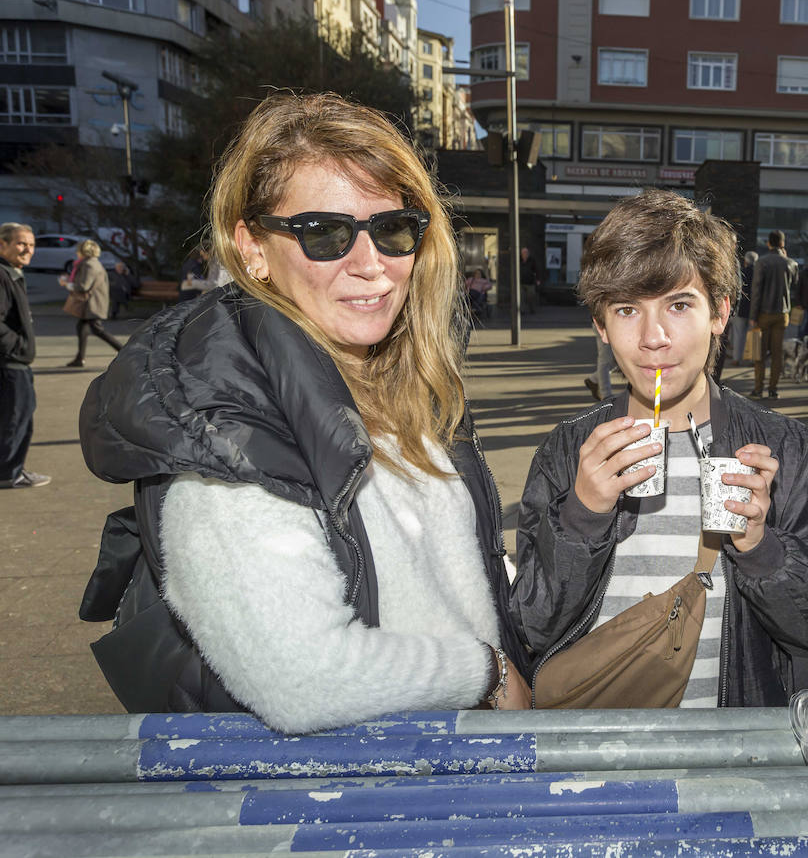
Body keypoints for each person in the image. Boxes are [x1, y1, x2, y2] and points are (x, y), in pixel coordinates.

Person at [77, 92, 529, 730]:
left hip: (449, 770)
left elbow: (452, 572)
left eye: (394, 228)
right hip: (347, 804)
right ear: (253, 247)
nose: (371, 265)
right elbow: (303, 676)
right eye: (324, 233)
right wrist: (485, 674)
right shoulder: (225, 421)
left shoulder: (404, 381)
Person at [514, 189, 808, 708]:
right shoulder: (569, 451)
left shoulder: (780, 447)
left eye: (679, 305)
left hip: (727, 755)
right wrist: (581, 517)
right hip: (595, 743)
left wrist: (761, 546)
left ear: (719, 313)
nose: (654, 337)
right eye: (627, 309)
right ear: (601, 326)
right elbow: (530, 627)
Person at [0, 222, 49, 489]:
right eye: (21, 243)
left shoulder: (12, 273)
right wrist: (18, 346)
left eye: (31, 244)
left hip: (15, 361)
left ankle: (13, 469)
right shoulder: (2, 274)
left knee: (18, 416)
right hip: (10, 363)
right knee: (16, 418)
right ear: (2, 244)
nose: (27, 249)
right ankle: (9, 473)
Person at [62, 239, 124, 368]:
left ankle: (125, 351)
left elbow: (83, 286)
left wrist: (66, 284)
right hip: (91, 303)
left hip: (92, 304)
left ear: (83, 251)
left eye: (78, 250)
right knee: (82, 327)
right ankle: (80, 358)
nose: (76, 253)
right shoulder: (92, 263)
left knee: (97, 329)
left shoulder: (89, 265)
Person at [749, 229, 795, 399]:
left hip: (764, 313)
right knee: (777, 354)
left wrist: (753, 316)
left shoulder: (762, 262)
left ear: (768, 243)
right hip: (782, 313)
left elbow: (756, 290)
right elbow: (793, 285)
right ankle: (773, 389)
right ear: (782, 244)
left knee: (759, 353)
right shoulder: (790, 263)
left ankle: (758, 388)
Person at [731, 250, 757, 366]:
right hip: (755, 309)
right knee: (753, 335)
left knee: (738, 334)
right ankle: (752, 359)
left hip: (741, 308)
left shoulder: (741, 272)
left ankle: (736, 358)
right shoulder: (759, 273)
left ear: (746, 261)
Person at [519, 245, 541, 315]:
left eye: (526, 252)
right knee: (521, 297)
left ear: (528, 253)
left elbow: (536, 270)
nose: (525, 254)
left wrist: (538, 279)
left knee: (530, 296)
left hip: (530, 282)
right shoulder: (518, 260)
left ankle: (532, 309)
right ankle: (522, 310)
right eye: (523, 253)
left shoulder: (532, 260)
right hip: (521, 282)